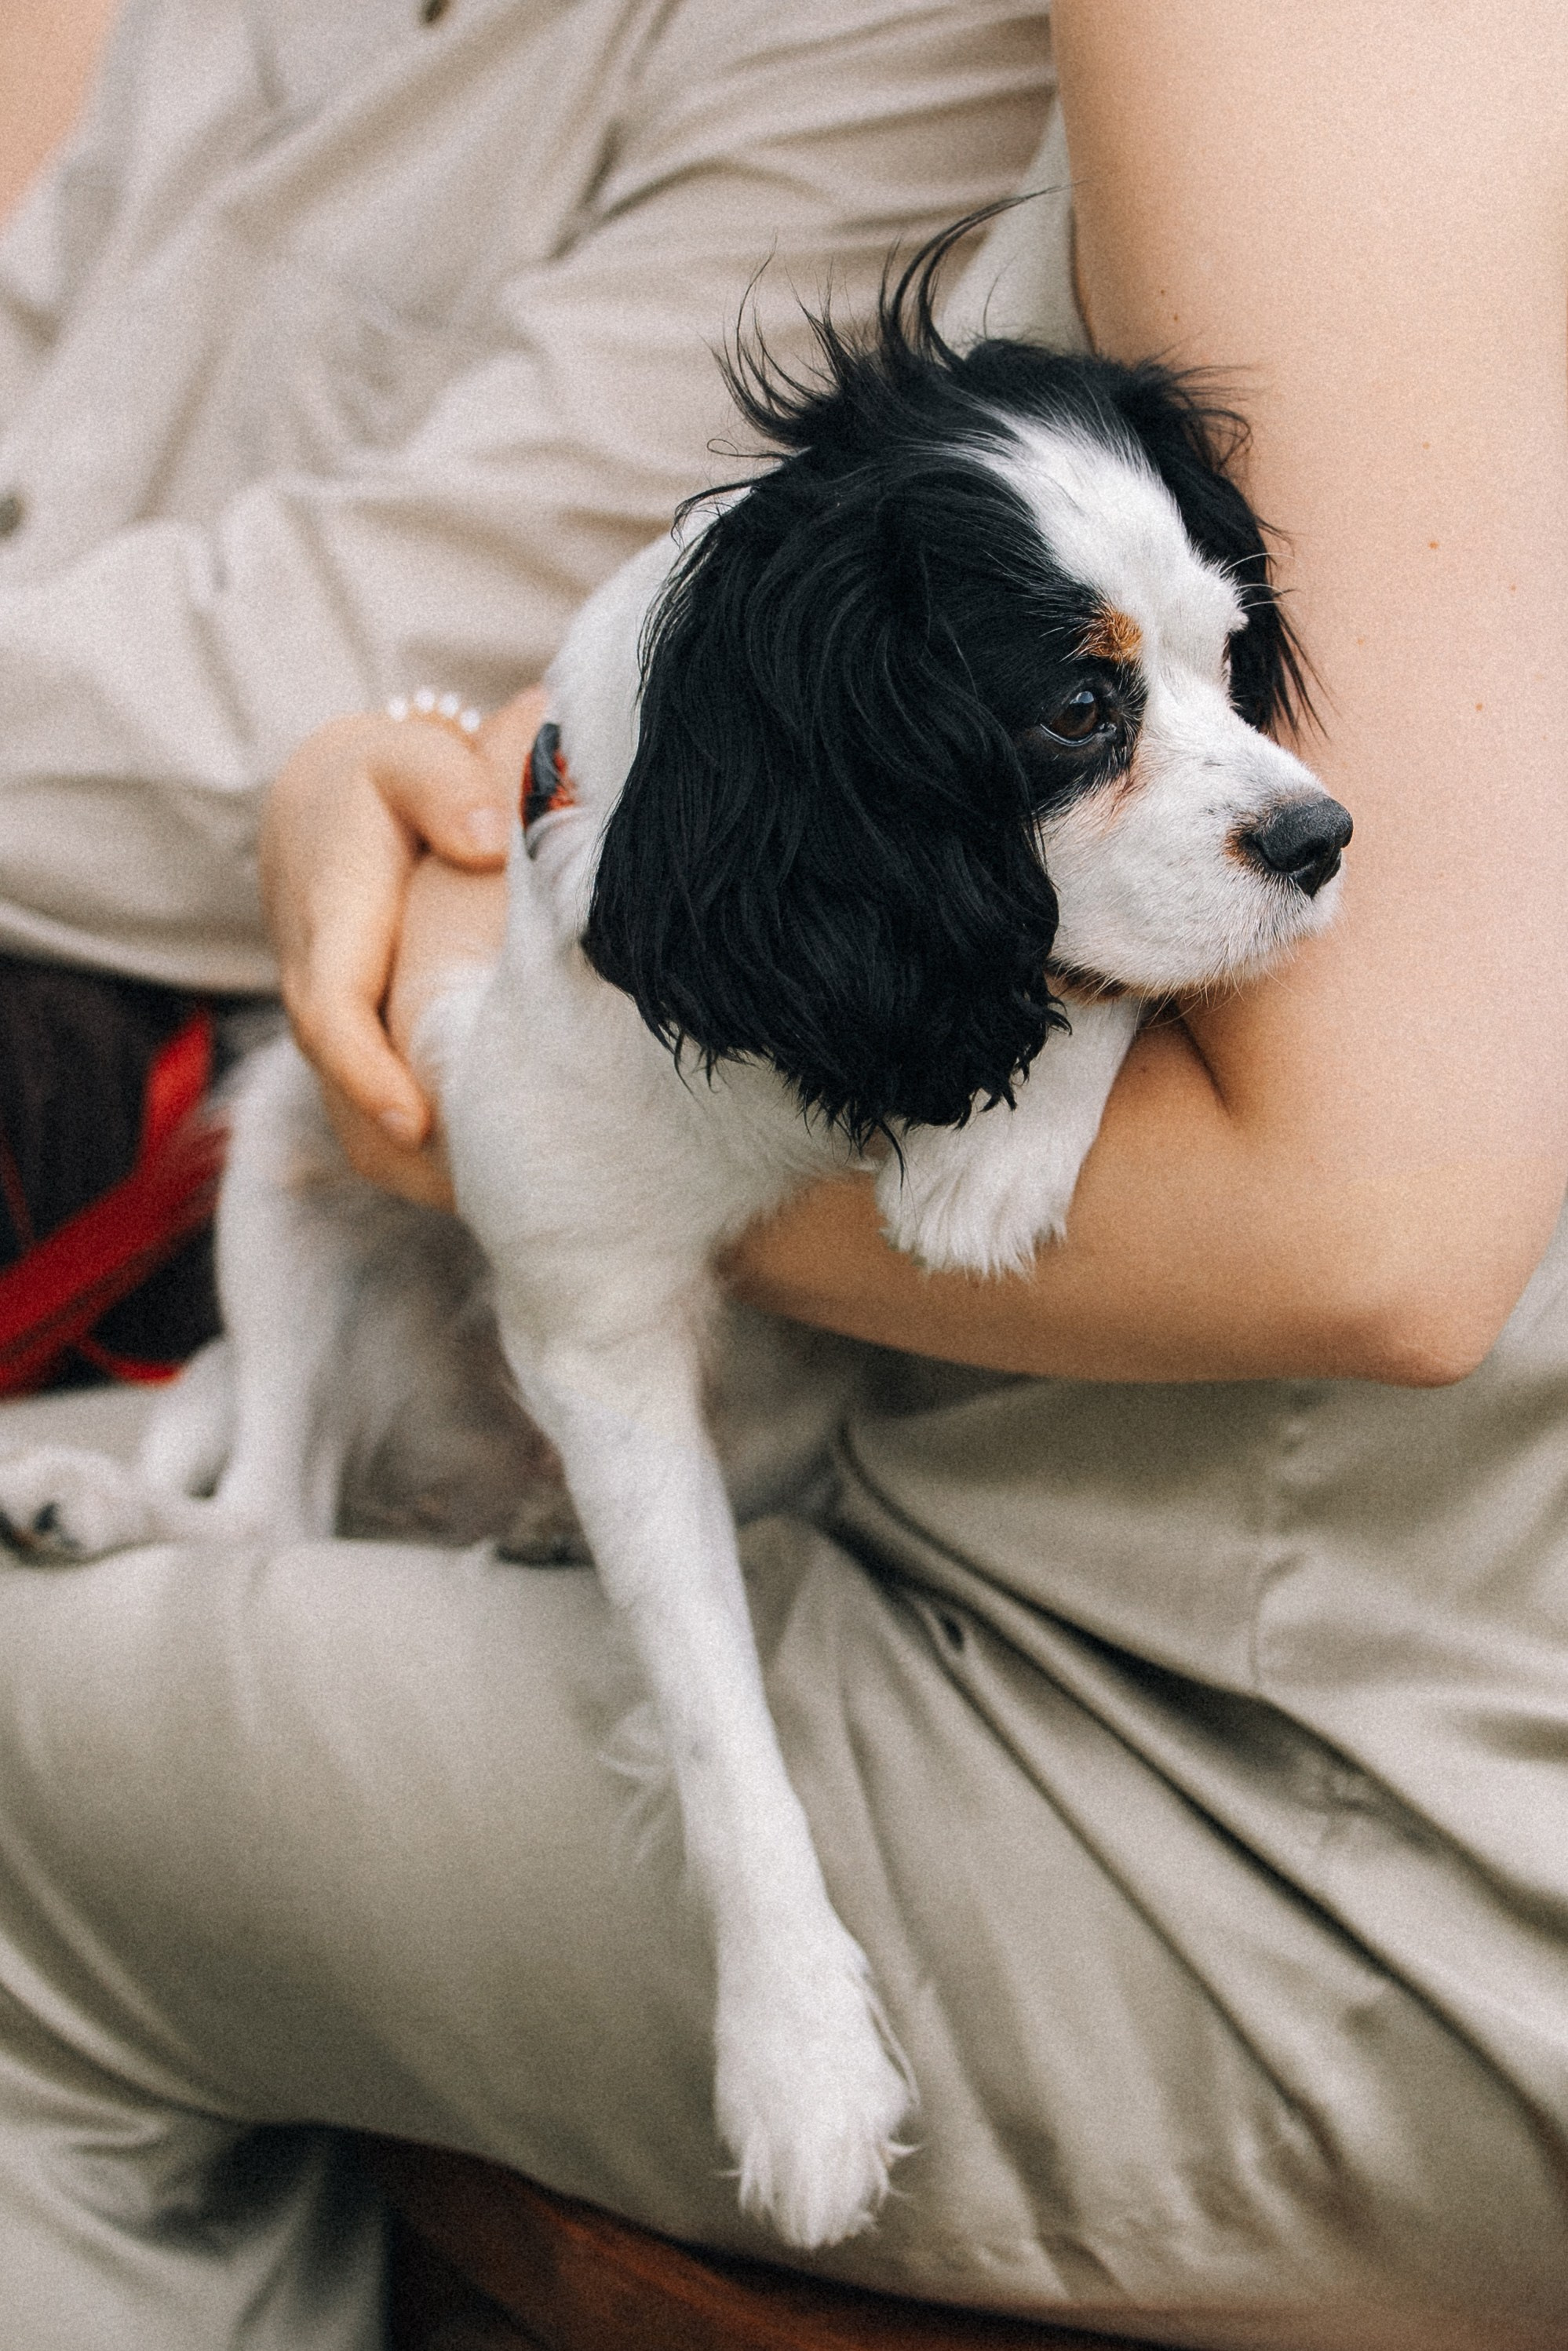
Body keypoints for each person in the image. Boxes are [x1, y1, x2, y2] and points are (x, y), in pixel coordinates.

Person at [3, 6, 1568, 2349]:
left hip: (1273, 1802)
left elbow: (1379, 1231)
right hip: (1061, 1581)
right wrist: (417, 770)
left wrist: (472, 992)